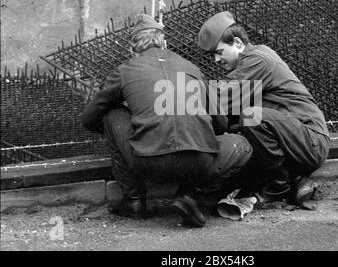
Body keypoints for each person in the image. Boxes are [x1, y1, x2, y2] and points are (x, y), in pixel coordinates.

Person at [81, 14, 252, 227]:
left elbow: (89, 118)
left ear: (132, 50)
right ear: (164, 43)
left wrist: (134, 123)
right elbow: (220, 123)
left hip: (147, 161)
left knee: (111, 115)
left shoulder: (125, 70)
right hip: (199, 162)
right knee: (242, 145)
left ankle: (134, 200)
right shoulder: (191, 68)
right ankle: (190, 196)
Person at [197, 11, 330, 205]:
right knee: (237, 129)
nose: (216, 60)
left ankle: (278, 186)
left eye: (219, 52)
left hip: (311, 140)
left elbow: (219, 100)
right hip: (293, 139)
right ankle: (294, 181)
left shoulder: (257, 59)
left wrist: (174, 97)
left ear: (238, 43)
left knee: (251, 117)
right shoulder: (252, 60)